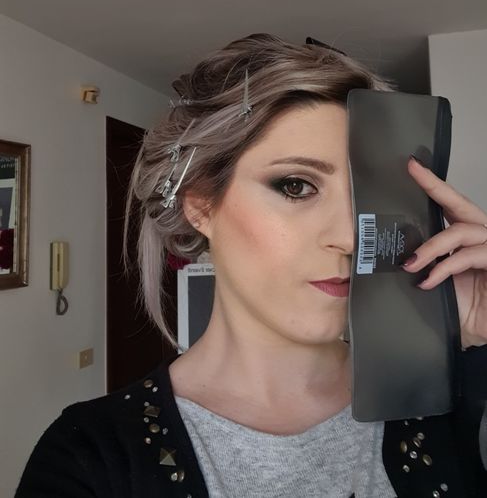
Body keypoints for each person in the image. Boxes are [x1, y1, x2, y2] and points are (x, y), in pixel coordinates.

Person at [16, 34, 487, 497]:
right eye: (296, 186)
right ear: (201, 205)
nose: (350, 237)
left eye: (369, 197)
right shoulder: (89, 456)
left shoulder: (447, 393)